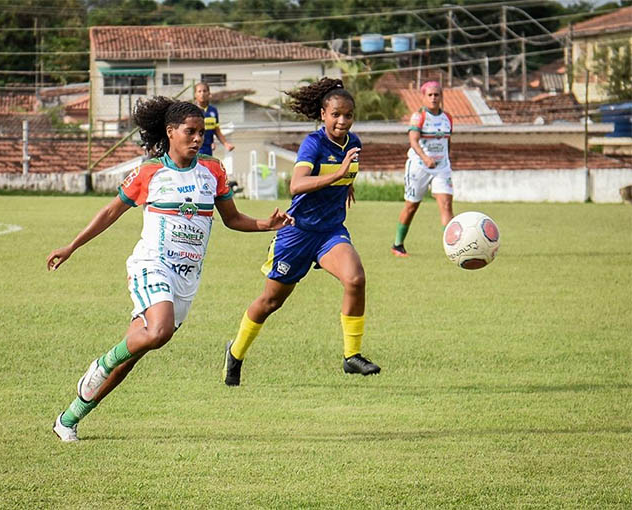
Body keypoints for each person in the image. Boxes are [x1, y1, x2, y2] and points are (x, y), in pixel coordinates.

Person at [48, 96, 293, 442]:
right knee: (158, 332)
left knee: (137, 350)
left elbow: (233, 219)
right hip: (151, 266)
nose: (197, 139)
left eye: (202, 132)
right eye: (190, 132)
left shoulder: (213, 171)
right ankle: (100, 365)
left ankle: (69, 418)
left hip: (186, 278)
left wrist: (267, 224)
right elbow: (110, 212)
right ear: (170, 132)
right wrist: (72, 246)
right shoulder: (150, 172)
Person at [222, 77, 381, 387]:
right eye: (336, 114)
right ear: (323, 114)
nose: (342, 121)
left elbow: (346, 173)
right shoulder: (313, 143)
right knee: (270, 302)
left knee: (356, 278)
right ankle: (236, 352)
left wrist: (346, 185)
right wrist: (337, 174)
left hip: (330, 231)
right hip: (297, 233)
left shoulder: (354, 143)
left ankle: (352, 356)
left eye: (348, 115)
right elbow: (296, 185)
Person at [392, 81, 454, 257]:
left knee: (446, 204)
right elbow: (413, 140)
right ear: (424, 97)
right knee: (412, 206)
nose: (434, 98)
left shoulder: (447, 118)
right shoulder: (419, 116)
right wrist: (425, 158)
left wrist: (447, 159)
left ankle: (453, 248)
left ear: (441, 96)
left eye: (437, 95)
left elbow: (447, 141)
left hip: (441, 167)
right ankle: (397, 245)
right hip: (419, 167)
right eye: (430, 95)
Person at [194, 82, 234, 156]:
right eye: (199, 91)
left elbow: (216, 130)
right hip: (196, 148)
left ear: (209, 93)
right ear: (195, 94)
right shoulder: (192, 110)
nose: (202, 93)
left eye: (204, 91)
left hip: (208, 148)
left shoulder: (213, 110)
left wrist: (226, 144)